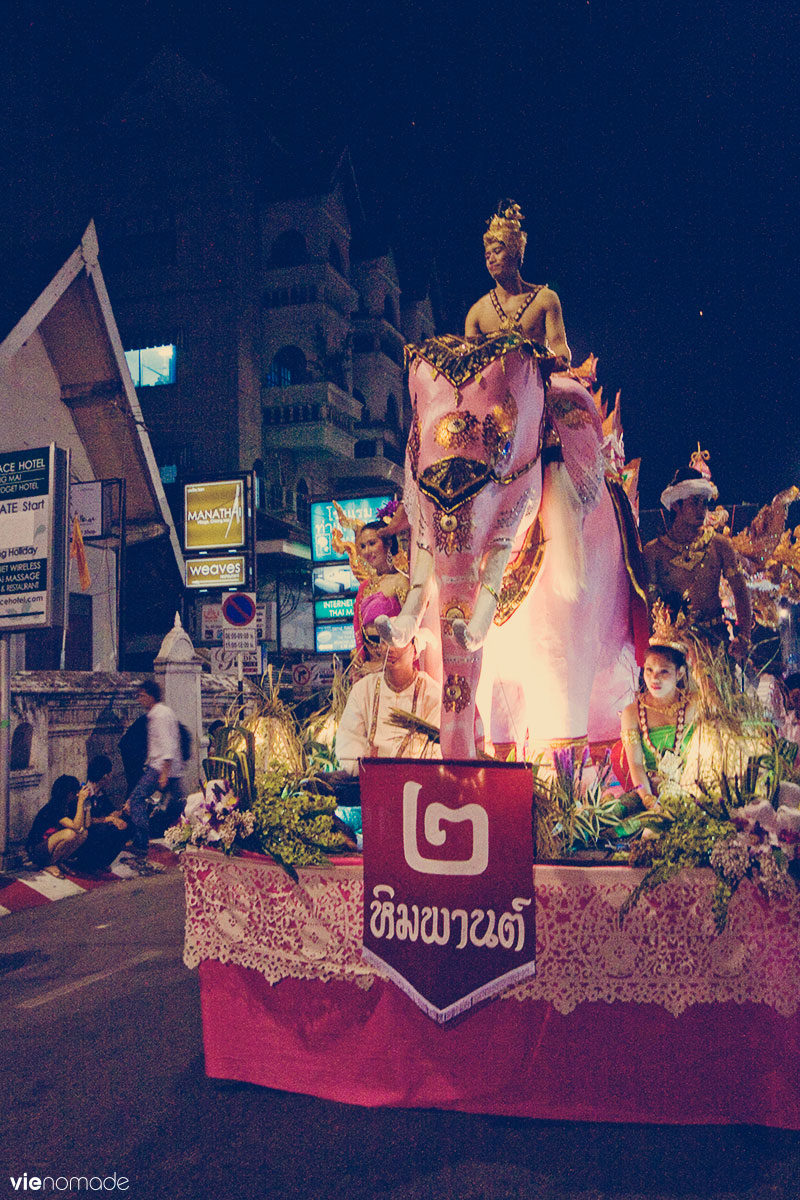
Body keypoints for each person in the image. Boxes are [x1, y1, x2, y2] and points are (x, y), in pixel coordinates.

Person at [643, 464, 753, 658]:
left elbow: (741, 591)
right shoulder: (654, 552)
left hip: (715, 644)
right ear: (676, 504)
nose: (702, 509)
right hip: (673, 650)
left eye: (704, 503)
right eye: (695, 502)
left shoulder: (719, 545)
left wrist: (744, 636)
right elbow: (649, 606)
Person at [464, 200, 571, 368]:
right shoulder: (477, 313)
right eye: (487, 256)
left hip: (536, 387)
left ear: (515, 253)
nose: (491, 259)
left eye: (497, 252)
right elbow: (470, 365)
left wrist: (560, 361)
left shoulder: (545, 299)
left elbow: (559, 347)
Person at [335, 639, 442, 775]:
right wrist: (366, 767)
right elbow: (349, 738)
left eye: (400, 642)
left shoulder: (431, 693)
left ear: (414, 650)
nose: (390, 649)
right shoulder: (363, 689)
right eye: (385, 642)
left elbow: (436, 751)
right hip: (371, 781)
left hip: (415, 784)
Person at [617, 639, 697, 809]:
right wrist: (649, 801)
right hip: (649, 794)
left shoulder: (693, 704)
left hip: (695, 795)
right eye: (649, 670)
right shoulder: (632, 713)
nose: (654, 678)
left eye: (664, 672)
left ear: (680, 673)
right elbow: (636, 764)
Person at [123, 680, 184, 860]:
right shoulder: (161, 713)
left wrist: (164, 772)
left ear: (151, 696)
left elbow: (167, 744)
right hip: (164, 766)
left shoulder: (159, 715)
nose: (139, 699)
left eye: (142, 695)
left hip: (160, 767)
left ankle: (141, 842)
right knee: (179, 805)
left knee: (136, 799)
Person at [352, 521, 409, 675]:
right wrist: (358, 657)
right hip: (368, 667)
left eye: (372, 543)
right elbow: (359, 628)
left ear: (388, 543)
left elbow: (412, 632)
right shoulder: (364, 587)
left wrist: (385, 664)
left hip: (395, 669)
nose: (367, 551)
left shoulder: (400, 581)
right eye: (362, 546)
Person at [67, 755, 130, 875]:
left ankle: (103, 862)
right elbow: (88, 822)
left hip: (98, 828)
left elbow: (110, 811)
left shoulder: (101, 793)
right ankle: (89, 864)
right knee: (104, 830)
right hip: (83, 835)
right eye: (110, 774)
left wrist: (122, 812)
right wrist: (109, 819)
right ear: (104, 776)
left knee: (126, 824)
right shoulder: (86, 792)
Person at [26, 775, 90, 877]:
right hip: (37, 849)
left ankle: (59, 861)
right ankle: (48, 864)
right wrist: (81, 801)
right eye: (74, 793)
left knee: (83, 833)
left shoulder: (70, 805)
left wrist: (86, 805)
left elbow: (85, 825)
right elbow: (75, 826)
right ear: (68, 793)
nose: (76, 795)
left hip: (51, 845)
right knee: (70, 833)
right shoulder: (54, 807)